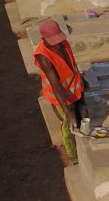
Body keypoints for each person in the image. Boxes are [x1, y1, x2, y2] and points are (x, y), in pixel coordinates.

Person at [33, 19, 86, 161]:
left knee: (82, 117)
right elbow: (56, 86)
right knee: (68, 124)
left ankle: (84, 143)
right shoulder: (43, 56)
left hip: (75, 89)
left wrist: (81, 81)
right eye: (54, 41)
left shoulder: (63, 42)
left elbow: (71, 66)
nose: (58, 43)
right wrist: (67, 111)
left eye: (58, 39)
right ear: (44, 38)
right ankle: (72, 154)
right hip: (59, 96)